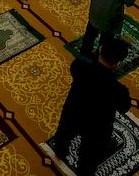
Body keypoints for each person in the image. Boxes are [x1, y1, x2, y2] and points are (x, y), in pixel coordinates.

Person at [51, 38, 132, 175]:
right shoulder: (118, 90)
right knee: (89, 157)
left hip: (73, 111)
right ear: (118, 63)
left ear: (100, 49)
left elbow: (78, 68)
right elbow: (125, 107)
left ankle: (60, 151)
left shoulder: (79, 66)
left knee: (64, 133)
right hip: (97, 125)